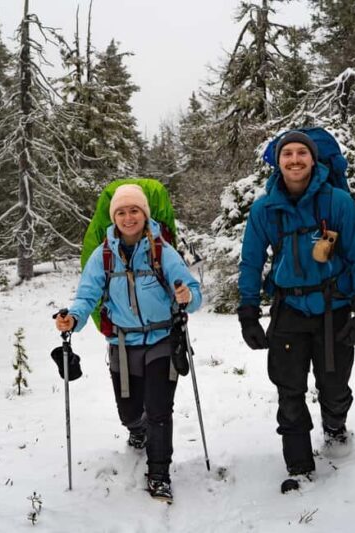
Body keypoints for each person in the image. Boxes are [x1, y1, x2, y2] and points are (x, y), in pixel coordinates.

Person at [237, 130, 355, 487]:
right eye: (288, 154)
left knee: (333, 384)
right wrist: (248, 311)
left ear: (313, 159)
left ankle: (335, 426)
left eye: (302, 153)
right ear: (277, 161)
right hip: (289, 309)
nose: (295, 159)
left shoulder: (337, 202)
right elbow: (251, 262)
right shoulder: (264, 208)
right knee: (289, 389)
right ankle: (298, 467)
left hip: (335, 307)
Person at [56, 184, 202, 503]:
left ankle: (159, 473)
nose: (128, 217)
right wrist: (74, 319)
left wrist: (187, 296)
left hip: (163, 338)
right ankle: (138, 429)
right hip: (122, 344)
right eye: (121, 212)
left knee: (160, 409)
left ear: (145, 214)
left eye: (134, 210)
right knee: (130, 412)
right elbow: (87, 296)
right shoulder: (104, 255)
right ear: (114, 218)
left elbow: (192, 290)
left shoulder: (162, 249)